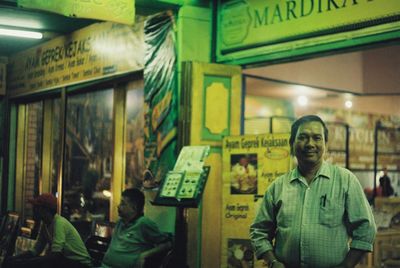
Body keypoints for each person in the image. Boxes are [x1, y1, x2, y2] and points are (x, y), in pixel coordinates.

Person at [250, 115, 376, 268]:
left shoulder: (345, 180)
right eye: (303, 137)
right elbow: (259, 231)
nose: (310, 144)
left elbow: (366, 229)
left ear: (325, 145)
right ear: (291, 144)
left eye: (317, 138)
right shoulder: (278, 187)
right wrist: (272, 262)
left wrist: (347, 265)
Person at [4, 193, 92, 268]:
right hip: (67, 261)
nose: (33, 210)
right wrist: (14, 258)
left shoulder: (59, 223)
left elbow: (55, 256)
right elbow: (35, 251)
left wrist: (23, 263)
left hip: (80, 264)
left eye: (36, 207)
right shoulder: (45, 224)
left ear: (44, 210)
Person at [101, 188, 172, 268]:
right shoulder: (120, 222)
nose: (118, 206)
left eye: (123, 204)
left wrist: (144, 255)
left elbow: (167, 244)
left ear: (134, 208)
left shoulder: (143, 223)